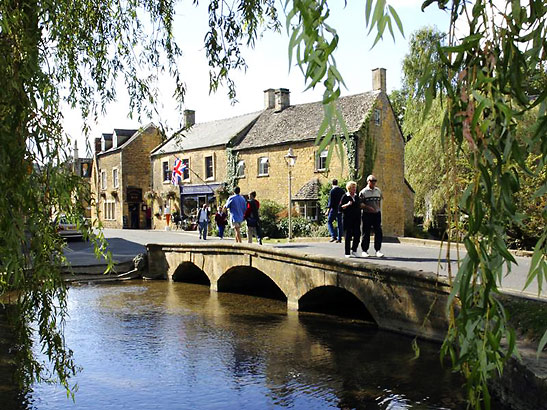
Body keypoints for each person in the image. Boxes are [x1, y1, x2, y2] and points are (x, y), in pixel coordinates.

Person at [359, 174, 384, 258]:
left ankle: (378, 250)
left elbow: (380, 201)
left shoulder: (378, 191)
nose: (374, 183)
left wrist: (379, 210)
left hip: (376, 214)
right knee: (366, 232)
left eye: (375, 181)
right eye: (372, 181)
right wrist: (367, 207)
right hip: (367, 214)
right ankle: (364, 250)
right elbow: (360, 204)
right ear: (368, 181)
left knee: (378, 232)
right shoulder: (363, 192)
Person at [339, 181, 361, 258]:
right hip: (347, 219)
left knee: (357, 235)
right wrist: (347, 204)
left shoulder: (357, 197)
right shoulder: (345, 196)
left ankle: (354, 250)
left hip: (356, 219)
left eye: (355, 187)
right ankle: (347, 252)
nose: (355, 189)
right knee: (348, 236)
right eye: (353, 187)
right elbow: (340, 208)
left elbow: (359, 207)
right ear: (349, 188)